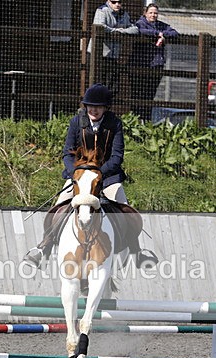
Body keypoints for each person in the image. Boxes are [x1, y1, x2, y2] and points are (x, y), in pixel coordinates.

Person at [23, 83, 158, 269]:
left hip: (107, 176)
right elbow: (67, 153)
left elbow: (117, 156)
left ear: (105, 108)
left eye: (98, 106)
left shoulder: (114, 124)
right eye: (90, 106)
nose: (94, 110)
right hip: (79, 177)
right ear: (85, 106)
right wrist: (76, 174)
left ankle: (137, 252)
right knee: (59, 205)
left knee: (125, 209)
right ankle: (43, 247)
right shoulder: (76, 122)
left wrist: (100, 174)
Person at [130, 4, 178, 119]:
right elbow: (139, 31)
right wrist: (157, 34)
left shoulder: (161, 25)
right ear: (145, 13)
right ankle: (136, 120)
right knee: (137, 95)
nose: (153, 15)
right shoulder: (139, 23)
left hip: (156, 65)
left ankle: (146, 120)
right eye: (151, 12)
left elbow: (175, 33)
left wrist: (163, 35)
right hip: (140, 66)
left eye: (155, 13)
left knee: (150, 95)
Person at [88, 0, 138, 98]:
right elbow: (100, 27)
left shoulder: (124, 14)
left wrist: (122, 31)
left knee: (113, 87)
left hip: (113, 56)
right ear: (108, 2)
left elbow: (135, 29)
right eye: (114, 2)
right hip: (99, 55)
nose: (117, 4)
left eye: (120, 2)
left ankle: (106, 109)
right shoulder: (102, 11)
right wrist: (116, 30)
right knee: (98, 85)